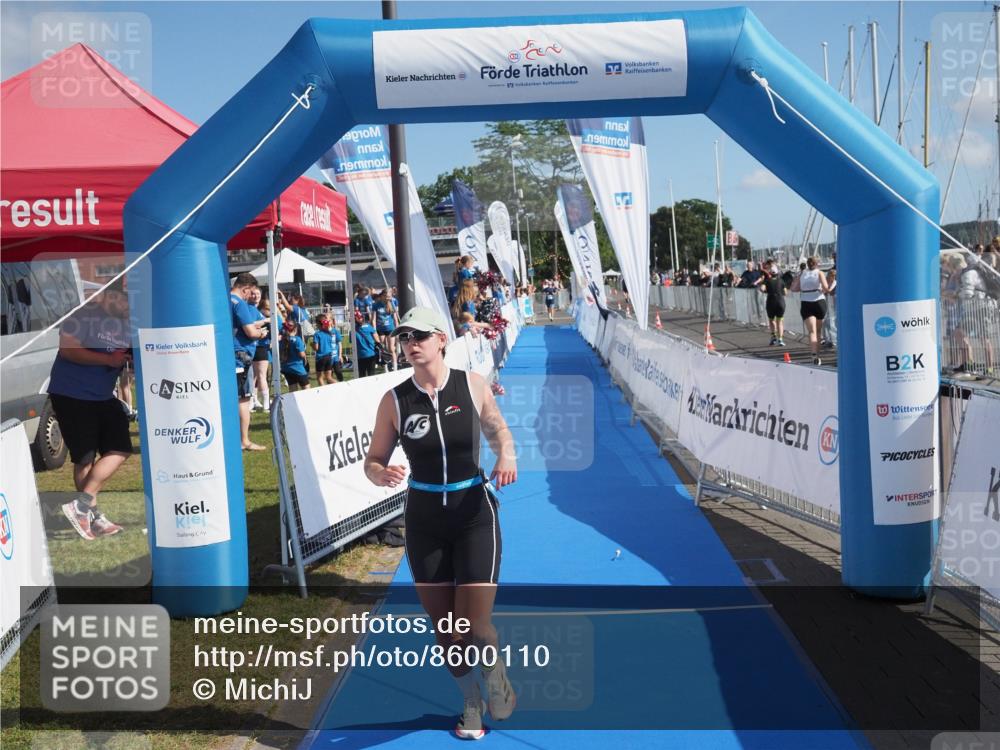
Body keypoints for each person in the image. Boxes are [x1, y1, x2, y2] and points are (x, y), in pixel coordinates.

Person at [364, 306, 518, 740]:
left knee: (472, 623)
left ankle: (494, 673)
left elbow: (499, 431)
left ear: (441, 339)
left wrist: (506, 454)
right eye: (404, 338)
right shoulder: (394, 400)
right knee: (447, 628)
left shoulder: (471, 385)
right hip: (425, 519)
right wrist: (379, 473)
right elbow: (373, 460)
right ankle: (470, 704)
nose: (411, 344)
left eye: (419, 336)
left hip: (474, 513)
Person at [48, 278, 131, 539]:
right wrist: (108, 359)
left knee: (120, 448)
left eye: (123, 299)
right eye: (112, 297)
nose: (117, 302)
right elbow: (68, 349)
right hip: (72, 394)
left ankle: (81, 505)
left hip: (103, 397)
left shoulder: (130, 325)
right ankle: (93, 518)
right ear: (103, 297)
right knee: (84, 457)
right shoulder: (83, 315)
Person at [231, 273, 268, 450]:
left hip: (230, 354)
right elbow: (250, 333)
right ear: (245, 288)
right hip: (241, 357)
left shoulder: (225, 299)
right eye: (250, 292)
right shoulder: (240, 304)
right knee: (243, 399)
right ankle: (244, 440)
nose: (250, 296)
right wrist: (261, 333)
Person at [791, 256, 830, 366]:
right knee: (818, 331)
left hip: (806, 303)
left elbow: (793, 288)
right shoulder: (820, 273)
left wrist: (804, 288)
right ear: (817, 264)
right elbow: (826, 288)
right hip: (819, 302)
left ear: (807, 264)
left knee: (812, 331)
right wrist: (822, 289)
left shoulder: (802, 273)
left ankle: (814, 356)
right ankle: (818, 355)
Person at [756, 259, 787, 346]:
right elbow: (785, 292)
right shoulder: (781, 281)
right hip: (780, 302)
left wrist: (767, 291)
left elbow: (762, 289)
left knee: (771, 320)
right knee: (780, 321)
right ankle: (780, 339)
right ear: (777, 273)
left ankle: (773, 336)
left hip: (771, 302)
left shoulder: (767, 281)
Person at [251, 294, 274, 411]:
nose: (270, 311)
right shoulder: (260, 316)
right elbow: (252, 326)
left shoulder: (257, 314)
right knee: (261, 376)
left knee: (255, 376)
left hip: (257, 348)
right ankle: (265, 403)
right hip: (259, 348)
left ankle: (254, 401)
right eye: (268, 309)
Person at [373, 288, 400, 371]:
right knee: (384, 348)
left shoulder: (392, 303)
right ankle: (385, 368)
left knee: (391, 348)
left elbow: (395, 319)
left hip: (390, 328)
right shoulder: (376, 305)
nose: (387, 298)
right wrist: (374, 331)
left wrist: (397, 329)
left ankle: (395, 367)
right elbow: (373, 319)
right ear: (382, 296)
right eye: (386, 296)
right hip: (380, 329)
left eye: (389, 296)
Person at [279, 319, 311, 392]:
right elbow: (301, 354)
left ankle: (292, 403)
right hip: (297, 368)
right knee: (307, 389)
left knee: (292, 389)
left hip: (286, 368)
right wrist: (305, 358)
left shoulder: (281, 340)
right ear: (296, 329)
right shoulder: (297, 339)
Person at [312, 314, 343, 385]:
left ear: (318, 324)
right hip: (329, 356)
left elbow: (316, 348)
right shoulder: (329, 333)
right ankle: (340, 385)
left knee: (320, 377)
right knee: (329, 377)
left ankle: (323, 393)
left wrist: (312, 345)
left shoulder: (317, 334)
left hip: (320, 357)